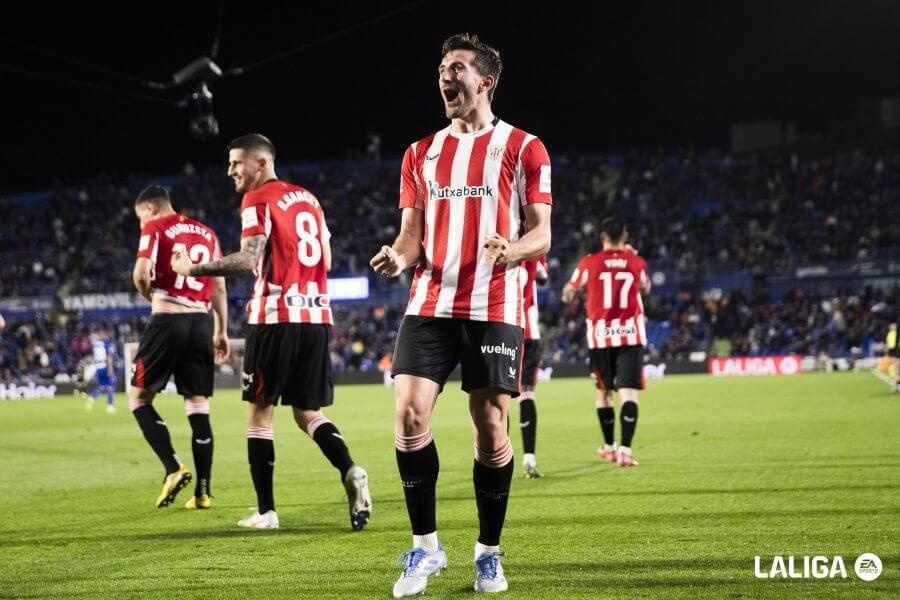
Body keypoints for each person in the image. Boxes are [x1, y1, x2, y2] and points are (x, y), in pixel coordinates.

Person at [370, 33, 552, 597]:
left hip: (494, 304)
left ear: (485, 81)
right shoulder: (420, 153)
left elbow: (542, 233)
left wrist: (512, 250)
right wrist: (398, 256)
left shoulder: (525, 147)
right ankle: (425, 547)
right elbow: (411, 235)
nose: (444, 77)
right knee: (408, 417)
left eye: (456, 68)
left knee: (491, 426)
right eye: (441, 70)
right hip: (430, 302)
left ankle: (488, 554)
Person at [172, 133, 372, 531]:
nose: (230, 171)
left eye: (237, 163)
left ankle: (266, 511)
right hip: (316, 317)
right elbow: (326, 259)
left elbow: (248, 259)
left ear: (261, 163)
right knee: (309, 413)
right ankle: (350, 468)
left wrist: (191, 269)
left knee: (260, 416)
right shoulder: (309, 199)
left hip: (274, 317)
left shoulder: (257, 198)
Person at [130, 185, 229, 509]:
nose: (141, 222)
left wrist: (151, 295)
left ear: (149, 208)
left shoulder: (154, 227)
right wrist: (221, 330)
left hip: (167, 318)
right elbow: (219, 287)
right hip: (201, 323)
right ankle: (203, 493)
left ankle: (173, 468)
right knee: (198, 405)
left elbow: (141, 274)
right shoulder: (207, 233)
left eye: (140, 216)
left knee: (139, 398)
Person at [562, 215, 651, 467]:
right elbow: (646, 289)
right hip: (630, 335)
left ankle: (610, 447)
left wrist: (577, 292)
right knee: (629, 394)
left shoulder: (589, 262)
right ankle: (625, 451)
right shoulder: (636, 262)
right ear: (625, 236)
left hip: (600, 337)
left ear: (602, 237)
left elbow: (568, 295)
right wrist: (631, 258)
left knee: (603, 394)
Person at [519, 257, 548, 478]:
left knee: (494, 395)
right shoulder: (534, 249)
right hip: (528, 332)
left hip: (498, 327)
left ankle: (493, 457)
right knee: (527, 393)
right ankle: (529, 456)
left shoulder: (493, 243)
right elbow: (543, 276)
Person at [86, 329, 117, 414]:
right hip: (105, 367)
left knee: (102, 385)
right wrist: (110, 369)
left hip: (98, 367)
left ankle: (92, 397)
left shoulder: (96, 345)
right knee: (111, 385)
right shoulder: (106, 344)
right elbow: (108, 357)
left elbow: (94, 356)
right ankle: (110, 406)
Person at [886, 322, 899, 392]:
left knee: (896, 366)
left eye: (894, 326)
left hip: (896, 350)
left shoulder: (896, 333)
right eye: (892, 326)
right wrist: (887, 353)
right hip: (892, 351)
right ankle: (894, 384)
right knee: (893, 366)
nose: (893, 327)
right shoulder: (889, 334)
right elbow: (888, 344)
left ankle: (896, 382)